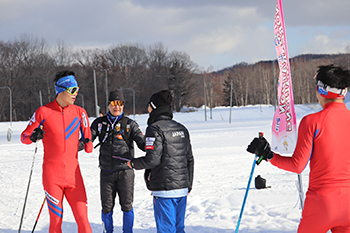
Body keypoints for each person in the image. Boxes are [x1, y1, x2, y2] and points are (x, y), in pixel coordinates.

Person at [247, 64, 350, 233]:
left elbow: (297, 165)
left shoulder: (312, 121)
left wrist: (268, 155)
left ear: (321, 90)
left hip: (322, 203)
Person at [21, 70, 93, 233]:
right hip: (52, 177)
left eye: (77, 89)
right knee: (55, 222)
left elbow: (88, 146)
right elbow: (24, 137)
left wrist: (86, 142)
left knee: (83, 221)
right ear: (61, 91)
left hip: (74, 177)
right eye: (72, 90)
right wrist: (34, 137)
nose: (76, 94)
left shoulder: (80, 113)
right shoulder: (43, 112)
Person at [127, 90, 194, 233]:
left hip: (165, 191)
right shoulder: (182, 128)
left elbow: (152, 160)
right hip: (182, 190)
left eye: (149, 106)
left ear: (154, 107)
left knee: (166, 230)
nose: (147, 109)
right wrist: (188, 185)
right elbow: (190, 159)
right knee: (178, 228)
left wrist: (132, 163)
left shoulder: (154, 129)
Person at [90, 89, 145, 233]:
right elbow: (87, 140)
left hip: (125, 172)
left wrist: (155, 143)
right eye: (114, 103)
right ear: (108, 105)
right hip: (106, 172)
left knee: (127, 206)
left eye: (120, 103)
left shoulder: (130, 124)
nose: (117, 107)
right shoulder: (99, 123)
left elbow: (143, 144)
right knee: (106, 208)